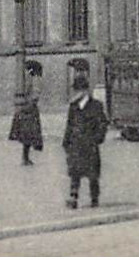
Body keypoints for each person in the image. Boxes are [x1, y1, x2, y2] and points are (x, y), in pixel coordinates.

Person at [61, 73, 107, 209]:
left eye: (78, 90)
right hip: (75, 144)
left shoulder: (96, 106)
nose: (75, 92)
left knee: (92, 174)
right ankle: (73, 198)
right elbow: (69, 125)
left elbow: (103, 124)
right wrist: (66, 142)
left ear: (85, 91)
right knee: (74, 173)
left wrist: (97, 138)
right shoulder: (73, 107)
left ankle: (94, 198)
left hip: (89, 144)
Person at [9, 93, 43, 166]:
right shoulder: (32, 108)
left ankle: (25, 159)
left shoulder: (26, 108)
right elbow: (34, 120)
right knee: (27, 145)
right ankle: (25, 159)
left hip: (25, 129)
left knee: (26, 145)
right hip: (28, 130)